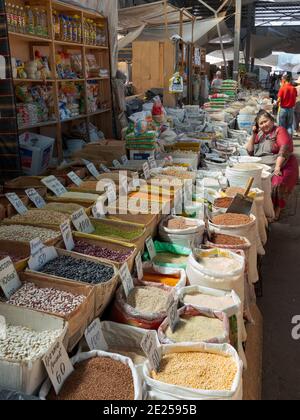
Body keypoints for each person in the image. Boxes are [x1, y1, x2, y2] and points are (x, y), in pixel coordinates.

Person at [246, 110, 299, 221]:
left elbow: (284, 149)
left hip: (282, 163)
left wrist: (277, 167)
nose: (264, 125)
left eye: (266, 121)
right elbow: (250, 151)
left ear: (272, 120)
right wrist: (254, 133)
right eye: (261, 123)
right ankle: (264, 208)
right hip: (263, 165)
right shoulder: (259, 134)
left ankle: (277, 208)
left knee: (276, 183)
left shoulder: (280, 131)